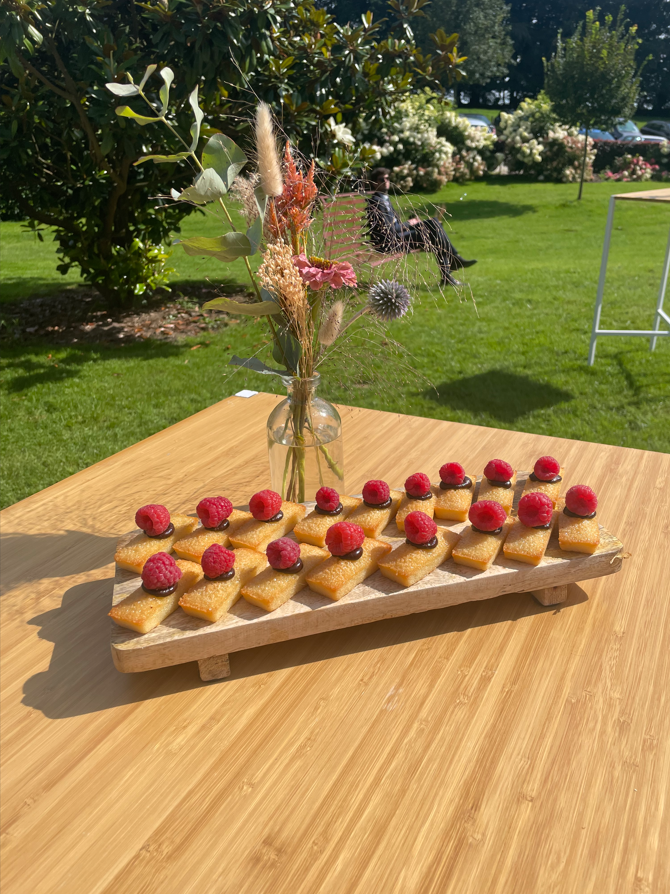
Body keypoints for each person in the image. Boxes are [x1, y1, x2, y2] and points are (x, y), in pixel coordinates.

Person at [365, 167, 476, 287]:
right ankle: (453, 263)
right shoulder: (375, 202)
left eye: (388, 178)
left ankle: (451, 267)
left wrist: (409, 223)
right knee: (435, 233)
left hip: (396, 237)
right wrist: (409, 223)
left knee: (434, 225)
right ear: (374, 183)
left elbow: (395, 227)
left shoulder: (384, 199)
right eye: (382, 179)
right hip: (388, 243)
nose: (386, 181)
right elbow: (390, 230)